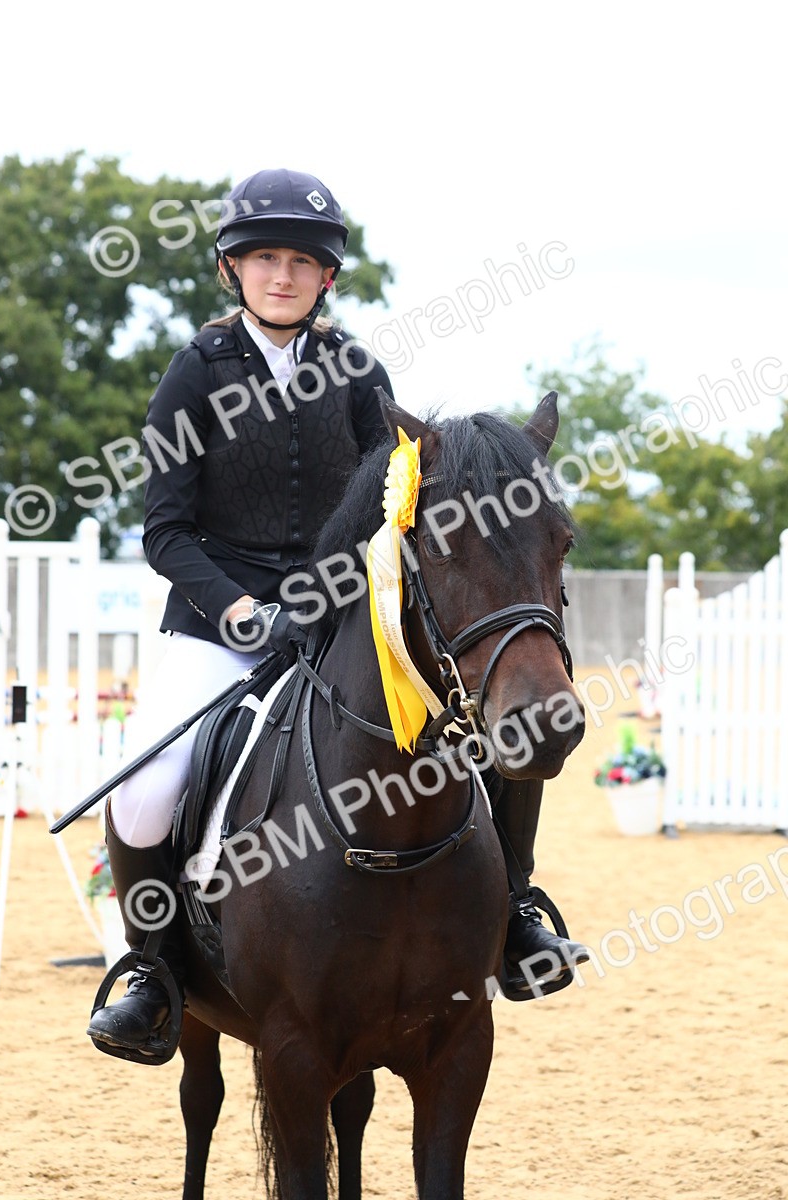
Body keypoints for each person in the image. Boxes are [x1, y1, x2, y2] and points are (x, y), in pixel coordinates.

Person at [87, 168, 587, 1057]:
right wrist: (242, 610)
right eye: (265, 258)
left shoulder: (359, 371)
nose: (283, 274)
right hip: (220, 628)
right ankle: (152, 972)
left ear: (327, 278)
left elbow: (389, 512)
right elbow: (163, 530)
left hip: (342, 624)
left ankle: (515, 915)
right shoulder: (195, 372)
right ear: (233, 269)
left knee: (485, 732)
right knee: (144, 786)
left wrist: (347, 603)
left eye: (302, 262)